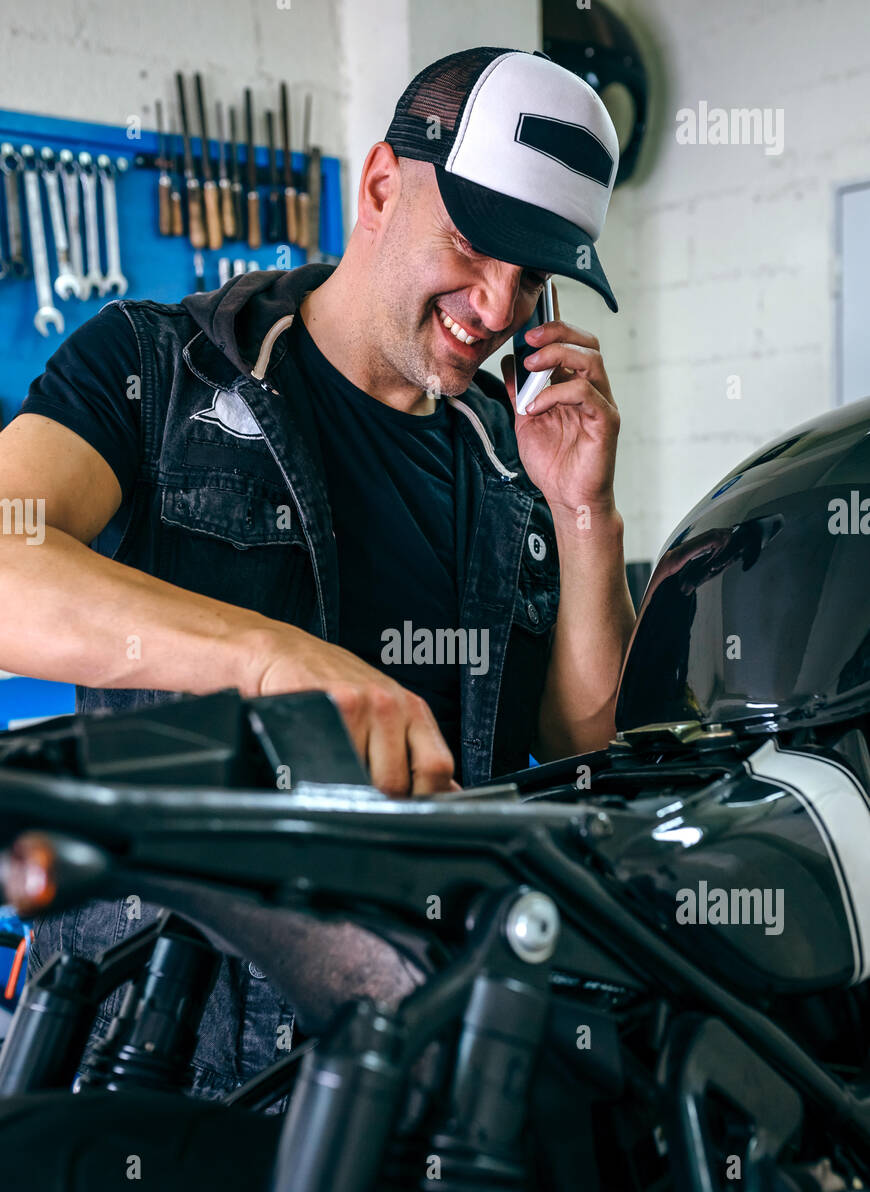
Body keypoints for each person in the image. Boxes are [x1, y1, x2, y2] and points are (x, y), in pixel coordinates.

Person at [0, 47, 635, 1101]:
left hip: (409, 1070)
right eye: (477, 248)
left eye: (533, 277)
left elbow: (580, 749)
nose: (496, 306)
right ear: (383, 184)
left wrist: (583, 509)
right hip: (161, 1070)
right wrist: (274, 664)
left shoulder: (505, 453)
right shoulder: (158, 368)